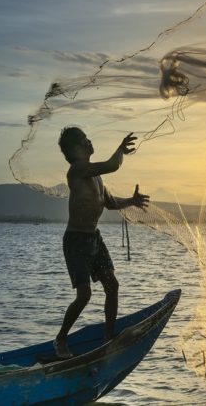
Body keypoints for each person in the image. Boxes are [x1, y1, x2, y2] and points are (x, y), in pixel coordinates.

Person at [53, 127, 150, 359]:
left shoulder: (96, 176)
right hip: (76, 240)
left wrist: (131, 201)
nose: (90, 141)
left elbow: (109, 203)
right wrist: (120, 149)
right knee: (84, 295)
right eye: (86, 139)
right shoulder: (77, 170)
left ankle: (108, 338)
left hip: (94, 238)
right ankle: (61, 339)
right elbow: (112, 165)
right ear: (77, 148)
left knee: (112, 286)